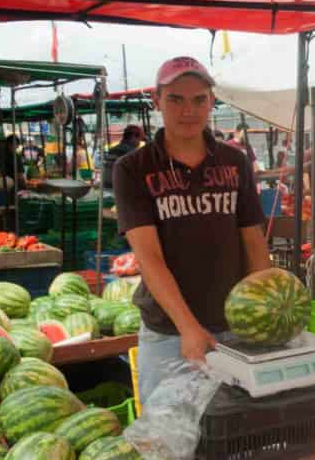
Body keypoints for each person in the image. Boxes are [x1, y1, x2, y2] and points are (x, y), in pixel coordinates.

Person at [113, 56, 269, 403]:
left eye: (199, 99)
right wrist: (188, 327)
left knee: (236, 435)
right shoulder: (133, 169)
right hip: (169, 331)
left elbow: (254, 240)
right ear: (156, 101)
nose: (189, 110)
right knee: (167, 439)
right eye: (176, 99)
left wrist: (266, 311)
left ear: (212, 101)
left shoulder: (235, 162)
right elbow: (149, 257)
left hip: (234, 327)